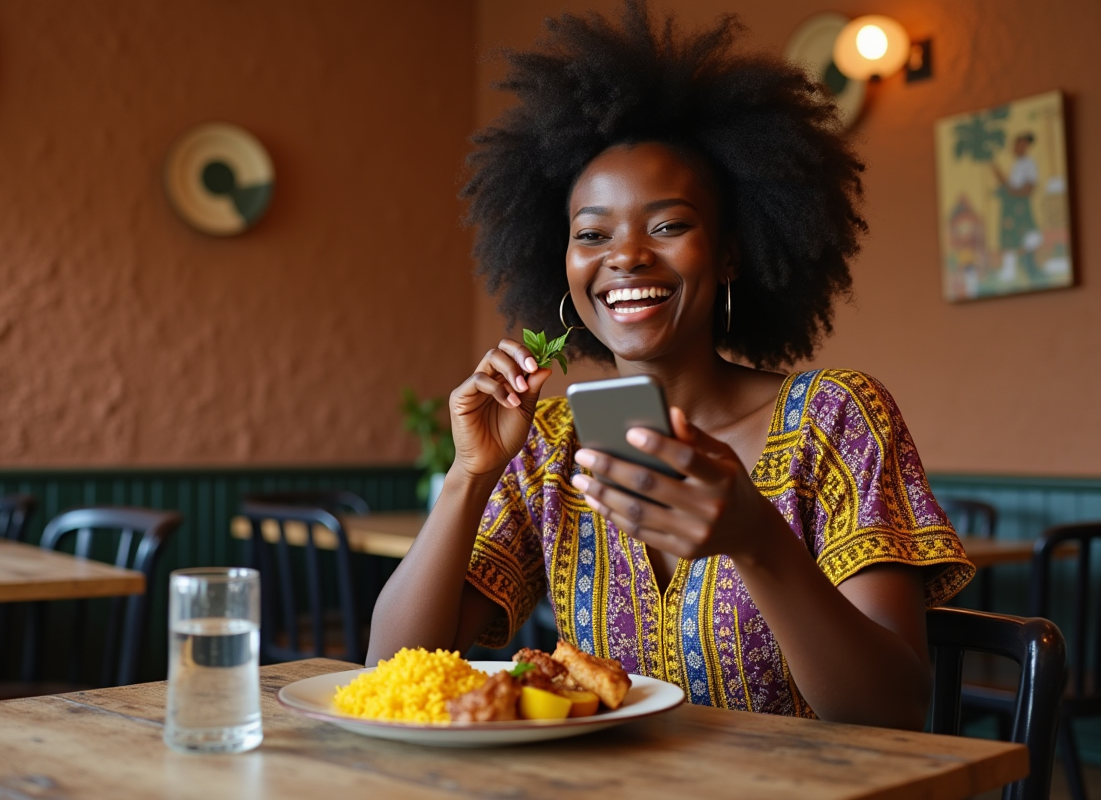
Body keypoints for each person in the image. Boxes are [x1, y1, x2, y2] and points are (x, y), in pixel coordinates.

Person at [368, 1, 973, 730]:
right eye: (592, 233)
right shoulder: (547, 447)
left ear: (729, 254)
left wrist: (759, 543)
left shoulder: (836, 417)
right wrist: (470, 476)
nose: (626, 255)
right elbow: (392, 672)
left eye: (668, 225)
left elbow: (893, 711)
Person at [992, 132, 1041, 283]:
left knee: (1027, 236)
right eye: (1015, 145)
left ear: (1025, 146)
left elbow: (1028, 187)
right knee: (1009, 239)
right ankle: (1009, 271)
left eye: (1020, 145)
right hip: (1011, 206)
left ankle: (1030, 268)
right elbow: (1009, 184)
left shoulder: (1029, 164)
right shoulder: (1017, 164)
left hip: (1019, 206)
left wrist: (1011, 191)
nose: (1016, 148)